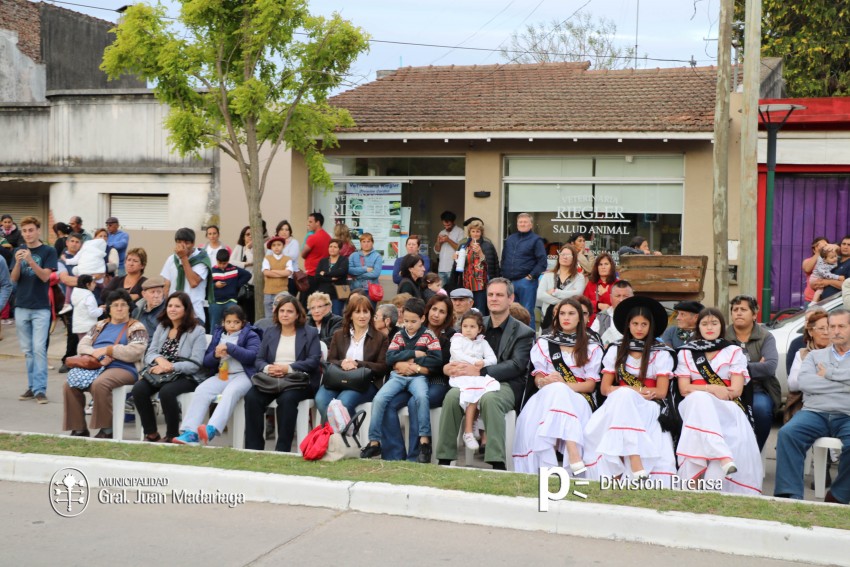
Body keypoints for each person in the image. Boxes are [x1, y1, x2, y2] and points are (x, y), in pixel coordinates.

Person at [439, 278, 535, 470]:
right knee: (451, 397)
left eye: (499, 295)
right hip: (470, 381)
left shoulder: (524, 332)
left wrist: (481, 370)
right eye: (490, 294)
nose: (493, 299)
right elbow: (456, 351)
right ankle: (444, 459)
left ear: (510, 299)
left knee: (490, 400)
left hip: (505, 383)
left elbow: (516, 365)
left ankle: (496, 463)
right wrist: (447, 368)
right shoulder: (474, 324)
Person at [583, 296, 677, 485]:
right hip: (618, 403)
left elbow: (661, 391)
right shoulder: (616, 349)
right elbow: (605, 388)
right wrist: (633, 389)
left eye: (644, 324)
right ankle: (634, 459)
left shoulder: (661, 352)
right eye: (635, 323)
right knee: (624, 395)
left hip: (649, 404)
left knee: (625, 395)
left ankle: (619, 463)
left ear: (651, 326)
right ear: (628, 325)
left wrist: (634, 392)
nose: (639, 328)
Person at [676, 308, 763, 495]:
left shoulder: (733, 351)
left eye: (714, 323)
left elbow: (737, 390)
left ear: (721, 326)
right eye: (705, 323)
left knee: (700, 400)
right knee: (699, 399)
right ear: (698, 327)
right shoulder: (686, 352)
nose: (709, 327)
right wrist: (712, 388)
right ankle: (723, 456)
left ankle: (705, 485)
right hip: (692, 405)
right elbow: (684, 389)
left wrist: (706, 391)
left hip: (725, 407)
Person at [512, 298, 602, 474]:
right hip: (545, 397)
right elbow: (537, 379)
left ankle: (553, 460)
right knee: (556, 390)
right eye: (562, 313)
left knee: (559, 389)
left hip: (579, 398)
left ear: (580, 318)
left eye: (571, 313)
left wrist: (563, 385)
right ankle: (572, 450)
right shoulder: (545, 342)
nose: (566, 317)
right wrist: (544, 381)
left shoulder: (591, 345)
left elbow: (590, 386)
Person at [774, 309, 850, 504]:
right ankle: (789, 495)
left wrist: (828, 375)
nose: (835, 331)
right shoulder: (814, 356)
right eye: (831, 326)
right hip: (814, 412)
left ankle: (839, 495)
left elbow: (816, 383)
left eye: (841, 326)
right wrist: (844, 383)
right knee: (788, 434)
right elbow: (805, 384)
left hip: (847, 414)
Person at [360, 297, 443, 463]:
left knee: (421, 398)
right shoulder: (399, 334)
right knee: (379, 399)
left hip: (418, 377)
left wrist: (412, 363)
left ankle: (424, 440)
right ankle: (374, 441)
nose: (409, 325)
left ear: (422, 319)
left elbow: (436, 360)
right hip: (398, 376)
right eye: (406, 321)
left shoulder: (428, 335)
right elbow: (390, 358)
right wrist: (415, 354)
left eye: (413, 321)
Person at [62, 289, 149, 438]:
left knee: (101, 384)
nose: (120, 308)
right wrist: (96, 353)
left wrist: (108, 350)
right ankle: (78, 428)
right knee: (69, 384)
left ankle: (107, 429)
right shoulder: (99, 325)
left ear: (129, 307)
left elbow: (135, 351)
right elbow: (82, 346)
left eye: (123, 304)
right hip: (96, 366)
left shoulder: (136, 327)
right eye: (115, 305)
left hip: (124, 368)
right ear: (109, 309)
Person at [172, 305, 262, 445]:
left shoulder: (251, 335)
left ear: (243, 323)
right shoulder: (218, 335)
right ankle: (190, 433)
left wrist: (230, 348)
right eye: (228, 322)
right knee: (202, 390)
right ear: (223, 322)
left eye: (236, 322)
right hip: (223, 374)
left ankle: (211, 429)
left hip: (243, 375)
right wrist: (215, 355)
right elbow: (206, 362)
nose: (232, 325)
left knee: (231, 392)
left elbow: (252, 356)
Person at [381, 295, 455, 461]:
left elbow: (440, 364)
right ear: (426, 312)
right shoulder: (412, 326)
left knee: (415, 402)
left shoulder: (451, 336)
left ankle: (416, 456)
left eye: (442, 311)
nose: (436, 314)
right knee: (386, 402)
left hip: (436, 381)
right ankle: (394, 455)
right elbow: (393, 356)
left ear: (447, 315)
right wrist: (398, 365)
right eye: (434, 309)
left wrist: (416, 366)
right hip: (408, 378)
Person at [244, 296, 322, 452]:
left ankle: (282, 449)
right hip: (271, 379)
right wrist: (268, 368)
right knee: (252, 397)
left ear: (298, 315)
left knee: (286, 400)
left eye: (289, 311)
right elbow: (259, 359)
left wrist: (288, 368)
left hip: (298, 380)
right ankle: (254, 448)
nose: (285, 314)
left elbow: (314, 360)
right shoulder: (270, 332)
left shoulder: (310, 332)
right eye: (282, 311)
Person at [132, 292, 208, 443]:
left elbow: (195, 363)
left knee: (167, 392)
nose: (172, 309)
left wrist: (170, 367)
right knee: (138, 390)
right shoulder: (163, 326)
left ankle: (171, 435)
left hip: (186, 375)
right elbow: (150, 353)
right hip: (161, 372)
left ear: (186, 309)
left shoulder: (197, 330)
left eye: (177, 306)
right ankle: (151, 433)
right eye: (170, 306)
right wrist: (160, 360)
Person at [314, 294, 389, 422]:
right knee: (321, 400)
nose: (362, 316)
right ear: (350, 315)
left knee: (342, 403)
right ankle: (343, 435)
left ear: (371, 314)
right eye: (357, 312)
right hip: (338, 379)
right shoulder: (339, 335)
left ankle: (336, 438)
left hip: (365, 383)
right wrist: (342, 363)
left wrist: (357, 364)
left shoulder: (380, 338)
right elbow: (330, 360)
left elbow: (383, 367)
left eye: (365, 312)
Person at [10, 216, 58, 404]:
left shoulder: (48, 251)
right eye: (25, 231)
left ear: (38, 231)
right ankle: (32, 387)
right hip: (21, 306)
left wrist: (30, 260)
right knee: (28, 351)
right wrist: (18, 262)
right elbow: (14, 278)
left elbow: (45, 277)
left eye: (31, 230)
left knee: (39, 349)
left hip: (40, 308)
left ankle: (40, 390)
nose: (28, 234)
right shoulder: (18, 250)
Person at [724, 295, 779, 452]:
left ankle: (754, 453)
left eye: (743, 309)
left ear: (754, 315)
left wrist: (734, 369)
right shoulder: (723, 336)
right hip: (728, 388)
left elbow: (769, 367)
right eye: (735, 310)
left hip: (758, 389)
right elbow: (717, 368)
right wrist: (754, 367)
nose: (738, 313)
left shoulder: (765, 337)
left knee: (761, 410)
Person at [447, 309, 498, 450]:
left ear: (479, 329)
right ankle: (468, 431)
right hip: (461, 375)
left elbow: (492, 359)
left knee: (487, 391)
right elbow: (457, 354)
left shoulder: (482, 343)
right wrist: (475, 361)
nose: (468, 330)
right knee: (473, 391)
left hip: (475, 375)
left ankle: (475, 423)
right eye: (465, 326)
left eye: (472, 327)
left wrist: (483, 363)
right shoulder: (457, 339)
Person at [500, 213, 547, 329]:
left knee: (526, 312)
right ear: (517, 224)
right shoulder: (511, 239)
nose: (522, 224)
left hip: (526, 282)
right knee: (510, 312)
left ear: (530, 224)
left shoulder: (536, 240)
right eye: (520, 222)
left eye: (525, 222)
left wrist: (531, 276)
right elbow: (504, 257)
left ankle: (529, 341)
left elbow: (542, 262)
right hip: (509, 282)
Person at [160, 228, 213, 324]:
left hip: (194, 314)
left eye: (186, 243)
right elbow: (166, 287)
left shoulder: (202, 259)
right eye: (179, 243)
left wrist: (183, 257)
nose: (182, 246)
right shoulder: (171, 259)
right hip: (173, 314)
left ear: (193, 243)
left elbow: (193, 282)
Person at [786, 309, 830, 423]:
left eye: (829, 328)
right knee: (786, 433)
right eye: (821, 328)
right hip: (807, 406)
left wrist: (808, 377)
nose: (826, 332)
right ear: (810, 332)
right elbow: (793, 384)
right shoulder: (802, 353)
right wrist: (821, 376)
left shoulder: (840, 352)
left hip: (836, 407)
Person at [537, 243, 586, 330]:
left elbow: (577, 294)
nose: (564, 257)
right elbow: (540, 295)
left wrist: (555, 292)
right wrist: (562, 301)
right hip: (548, 317)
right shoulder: (548, 275)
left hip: (569, 318)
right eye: (562, 254)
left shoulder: (579, 277)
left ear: (573, 258)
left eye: (568, 255)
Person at [457, 219, 500, 315]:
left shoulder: (487, 245)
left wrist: (480, 252)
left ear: (481, 233)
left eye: (478, 231)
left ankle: (481, 329)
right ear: (469, 233)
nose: (475, 234)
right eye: (473, 231)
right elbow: (460, 266)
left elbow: (491, 264)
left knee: (480, 310)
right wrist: (456, 258)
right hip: (466, 283)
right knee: (467, 310)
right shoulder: (464, 246)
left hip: (480, 284)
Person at [56, 233, 83, 372]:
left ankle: (83, 360)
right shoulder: (62, 260)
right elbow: (65, 279)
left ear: (81, 244)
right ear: (67, 243)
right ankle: (68, 360)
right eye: (72, 241)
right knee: (72, 333)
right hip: (70, 302)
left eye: (77, 241)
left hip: (86, 300)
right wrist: (85, 281)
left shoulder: (85, 257)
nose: (74, 244)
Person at [211, 249, 252, 329]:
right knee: (215, 325)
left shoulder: (234, 269)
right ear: (216, 260)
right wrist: (215, 285)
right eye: (220, 263)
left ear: (228, 261)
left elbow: (247, 275)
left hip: (231, 300)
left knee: (233, 322)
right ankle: (214, 340)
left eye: (224, 263)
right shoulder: (212, 271)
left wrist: (236, 285)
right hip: (216, 302)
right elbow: (207, 286)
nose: (222, 265)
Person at [300, 212, 331, 306]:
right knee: (319, 303)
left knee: (305, 303)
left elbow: (303, 254)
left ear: (317, 223)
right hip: (323, 275)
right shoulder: (328, 237)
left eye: (310, 221)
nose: (308, 224)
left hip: (311, 274)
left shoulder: (313, 237)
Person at [102, 247, 148, 312]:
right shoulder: (117, 280)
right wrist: (127, 296)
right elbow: (104, 294)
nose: (131, 264)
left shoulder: (146, 283)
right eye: (129, 260)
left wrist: (115, 297)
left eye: (135, 261)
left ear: (142, 265)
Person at [590, 280, 634, 346]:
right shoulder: (602, 317)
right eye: (618, 296)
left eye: (625, 296)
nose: (621, 300)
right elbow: (591, 340)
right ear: (611, 298)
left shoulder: (638, 316)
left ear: (632, 298)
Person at [262, 236, 294, 318]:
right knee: (269, 317)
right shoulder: (267, 258)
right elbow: (266, 272)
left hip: (282, 292)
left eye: (279, 245)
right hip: (269, 292)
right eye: (274, 245)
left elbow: (288, 272)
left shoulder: (287, 259)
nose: (276, 247)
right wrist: (281, 272)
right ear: (271, 247)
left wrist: (272, 271)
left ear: (283, 246)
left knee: (282, 315)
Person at [315, 238, 349, 316]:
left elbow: (341, 272)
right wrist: (331, 278)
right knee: (322, 315)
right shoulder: (323, 261)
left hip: (338, 294)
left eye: (335, 247)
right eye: (330, 246)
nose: (332, 249)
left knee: (336, 316)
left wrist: (325, 274)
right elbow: (317, 277)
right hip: (323, 294)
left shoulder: (343, 260)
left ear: (339, 249)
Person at [583, 252, 618, 322]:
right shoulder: (591, 284)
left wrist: (605, 294)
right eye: (600, 264)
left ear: (611, 266)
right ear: (597, 267)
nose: (603, 267)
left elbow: (618, 305)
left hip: (612, 322)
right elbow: (583, 303)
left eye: (606, 264)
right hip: (592, 322)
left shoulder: (617, 284)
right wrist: (598, 305)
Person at [231, 225, 256, 322]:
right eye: (247, 234)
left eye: (252, 234)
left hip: (251, 287)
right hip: (239, 286)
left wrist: (248, 249)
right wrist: (245, 264)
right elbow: (231, 262)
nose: (250, 236)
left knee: (249, 315)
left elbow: (252, 261)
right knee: (238, 313)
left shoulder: (256, 250)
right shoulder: (239, 248)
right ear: (243, 237)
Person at [435, 210, 465, 287]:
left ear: (453, 221)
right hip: (441, 268)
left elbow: (460, 249)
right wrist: (438, 242)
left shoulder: (460, 232)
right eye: (445, 225)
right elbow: (437, 251)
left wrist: (448, 240)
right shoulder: (441, 232)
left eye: (449, 225)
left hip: (452, 268)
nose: (446, 227)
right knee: (440, 292)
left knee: (452, 290)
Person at [815, 235, 850, 300]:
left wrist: (828, 282)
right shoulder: (834, 259)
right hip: (823, 302)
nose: (845, 247)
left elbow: (848, 286)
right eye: (844, 244)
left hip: (837, 305)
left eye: (849, 245)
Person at [273, 221, 300, 296]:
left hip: (289, 278)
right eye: (281, 229)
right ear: (278, 231)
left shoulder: (294, 242)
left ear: (290, 232)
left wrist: (278, 252)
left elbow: (292, 257)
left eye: (286, 229)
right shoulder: (273, 242)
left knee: (289, 302)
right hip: (275, 277)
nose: (284, 232)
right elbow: (268, 257)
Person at [802, 237, 829, 304]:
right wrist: (818, 253)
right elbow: (807, 269)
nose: (822, 247)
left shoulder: (831, 260)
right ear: (814, 250)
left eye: (825, 245)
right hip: (810, 298)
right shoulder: (808, 261)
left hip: (827, 298)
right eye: (818, 246)